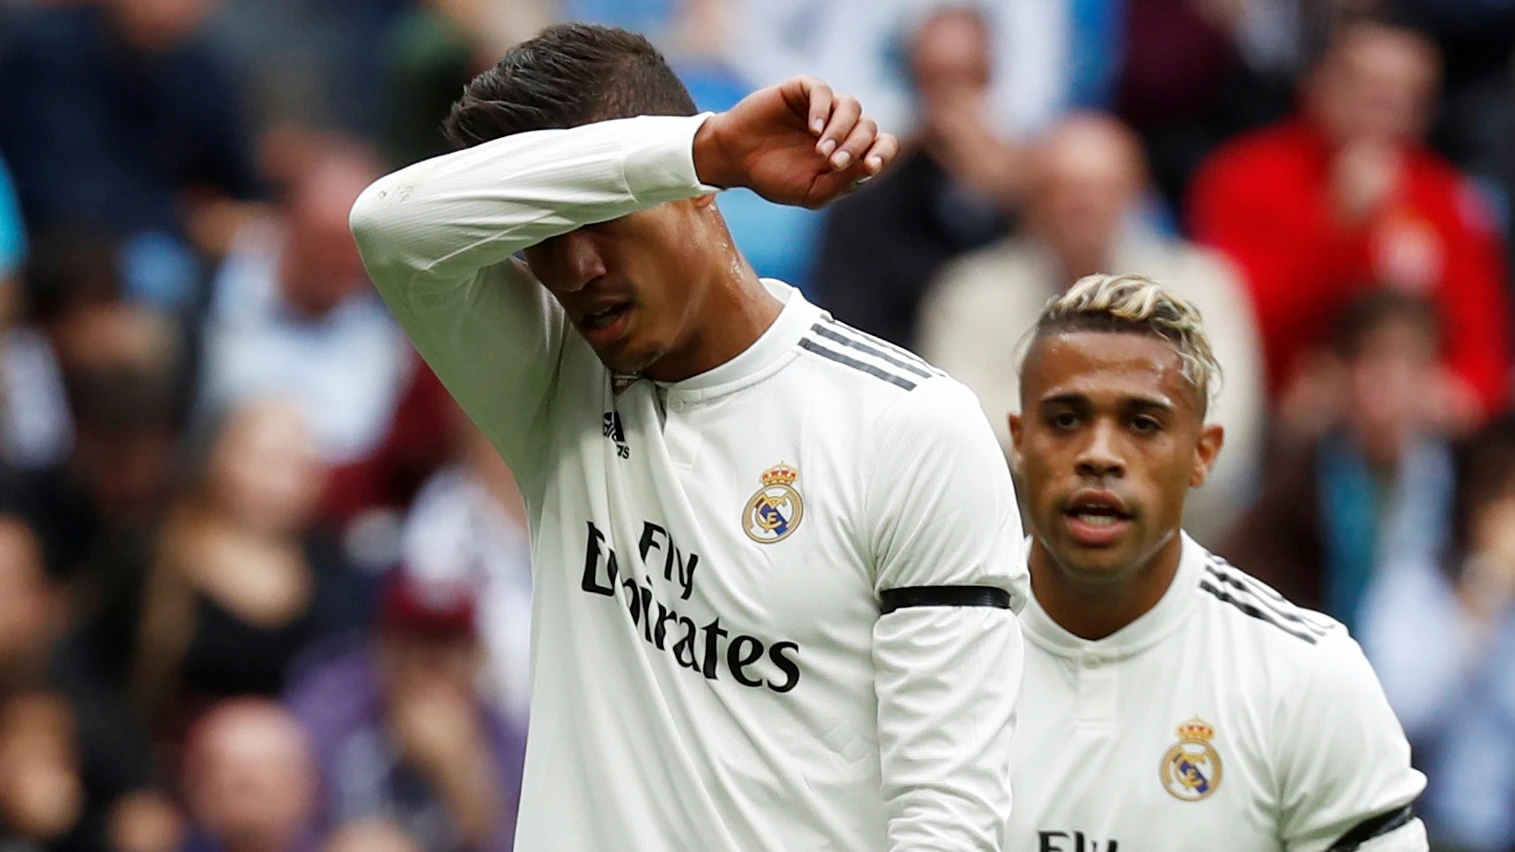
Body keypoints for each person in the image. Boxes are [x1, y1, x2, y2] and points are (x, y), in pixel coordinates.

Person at [349, 22, 1027, 852]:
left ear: (698, 196)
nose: (574, 270)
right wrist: (701, 148)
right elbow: (387, 223)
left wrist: (687, 158)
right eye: (541, 239)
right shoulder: (551, 380)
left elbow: (950, 819)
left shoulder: (910, 426)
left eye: (598, 218)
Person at [1003, 273, 1426, 850]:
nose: (1099, 454)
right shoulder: (926, 648)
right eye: (1067, 420)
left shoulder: (1306, 677)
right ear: (1020, 441)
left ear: (1203, 455)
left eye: (1142, 424)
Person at [919, 113, 1264, 546]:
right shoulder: (969, 293)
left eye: (1101, 191)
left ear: (1137, 196)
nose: (1081, 207)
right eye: (1062, 190)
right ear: (1031, 201)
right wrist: (1138, 443)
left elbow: (1225, 435)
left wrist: (1067, 447)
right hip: (1014, 544)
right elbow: (963, 434)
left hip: (1179, 544)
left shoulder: (1204, 285)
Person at [1188, 16, 1510, 424]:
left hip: (1414, 425)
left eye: (1407, 95)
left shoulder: (1446, 197)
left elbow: (1481, 347)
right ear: (1317, 84)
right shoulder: (1241, 177)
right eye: (1367, 87)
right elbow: (1233, 324)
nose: (1385, 106)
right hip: (1275, 415)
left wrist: (1452, 392)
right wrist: (1335, 228)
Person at [809, 5, 1022, 347]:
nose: (950, 99)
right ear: (913, 80)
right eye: (934, 79)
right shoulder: (865, 200)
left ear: (989, 76)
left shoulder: (1031, 196)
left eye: (965, 78)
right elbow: (847, 322)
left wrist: (998, 189)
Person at [286, 573, 524, 852]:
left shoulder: (506, 740)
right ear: (381, 646)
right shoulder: (328, 707)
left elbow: (517, 843)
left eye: (446, 644)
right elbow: (281, 829)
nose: (427, 662)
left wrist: (459, 776)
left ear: (476, 656)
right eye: (412, 643)